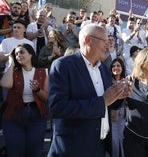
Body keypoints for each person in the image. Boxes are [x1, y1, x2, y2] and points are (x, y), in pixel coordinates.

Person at [48, 24, 132, 156]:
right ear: (88, 40)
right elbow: (58, 108)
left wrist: (118, 96)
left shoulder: (104, 68)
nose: (107, 45)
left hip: (99, 147)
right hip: (73, 148)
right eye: (104, 41)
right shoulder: (63, 66)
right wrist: (103, 101)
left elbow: (106, 104)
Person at [0, 43, 48, 157]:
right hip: (13, 115)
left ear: (30, 54)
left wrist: (37, 90)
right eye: (16, 54)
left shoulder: (43, 72)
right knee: (15, 152)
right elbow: (5, 84)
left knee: (35, 152)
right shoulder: (13, 72)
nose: (18, 55)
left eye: (21, 52)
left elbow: (46, 97)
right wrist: (11, 63)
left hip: (36, 115)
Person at [109, 58, 127, 157]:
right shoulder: (107, 81)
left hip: (124, 115)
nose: (116, 68)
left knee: (123, 139)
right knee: (114, 142)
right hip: (112, 116)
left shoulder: (126, 81)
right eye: (114, 66)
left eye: (118, 65)